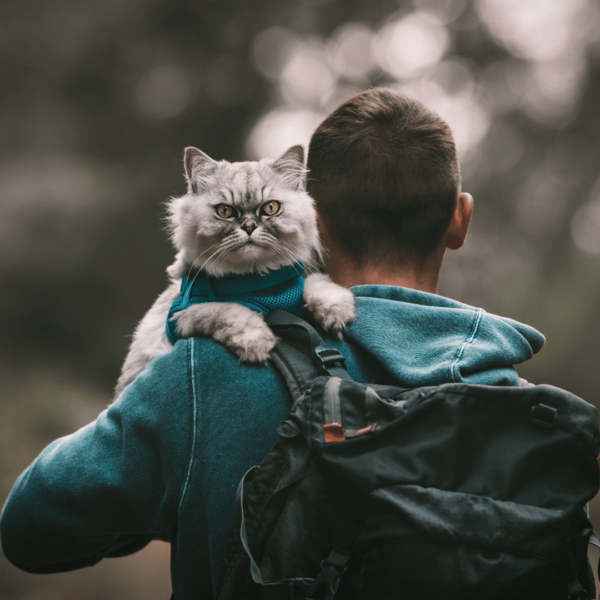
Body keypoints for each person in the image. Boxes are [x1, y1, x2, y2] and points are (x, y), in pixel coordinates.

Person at [0, 89, 544, 599]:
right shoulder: (521, 403)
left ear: (316, 223)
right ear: (461, 218)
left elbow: (28, 528)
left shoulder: (200, 375)